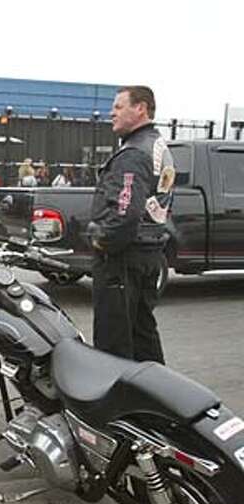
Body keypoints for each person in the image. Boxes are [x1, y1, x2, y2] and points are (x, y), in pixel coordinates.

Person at [86, 86, 174, 364]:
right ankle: (159, 398)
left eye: (119, 106)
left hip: (123, 260)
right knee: (142, 336)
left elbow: (124, 214)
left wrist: (101, 241)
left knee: (115, 345)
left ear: (141, 108)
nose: (112, 113)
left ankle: (119, 405)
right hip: (148, 254)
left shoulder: (134, 153)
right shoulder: (158, 146)